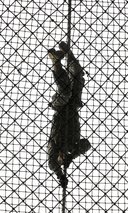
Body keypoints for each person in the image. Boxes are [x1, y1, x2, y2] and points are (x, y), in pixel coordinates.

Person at [47, 42, 91, 188]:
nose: (62, 156)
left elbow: (52, 164)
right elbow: (87, 145)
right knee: (78, 77)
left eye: (61, 158)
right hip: (72, 107)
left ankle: (56, 62)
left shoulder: (54, 147)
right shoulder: (73, 147)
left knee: (65, 91)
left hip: (60, 107)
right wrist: (71, 156)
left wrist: (60, 175)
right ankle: (67, 55)